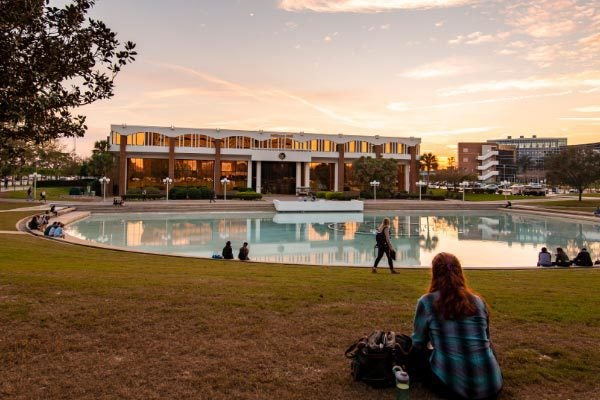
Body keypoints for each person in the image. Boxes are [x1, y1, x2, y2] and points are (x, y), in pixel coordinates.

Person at [412, 252, 503, 400]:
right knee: (487, 345)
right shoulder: (478, 302)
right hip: (492, 387)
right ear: (460, 272)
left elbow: (418, 343)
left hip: (455, 389)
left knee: (420, 356)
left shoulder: (427, 302)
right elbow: (487, 338)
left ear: (434, 274)